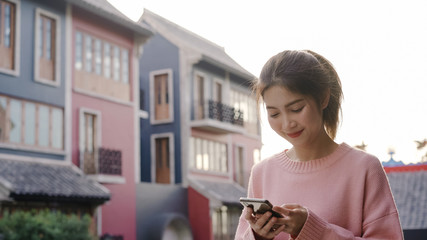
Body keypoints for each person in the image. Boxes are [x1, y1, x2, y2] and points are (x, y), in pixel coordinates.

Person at [235, 50, 403, 240]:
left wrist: (311, 229)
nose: (287, 123)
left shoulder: (364, 168)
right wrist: (258, 236)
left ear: (323, 98)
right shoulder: (262, 173)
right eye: (274, 114)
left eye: (296, 109)